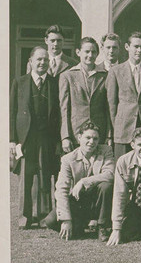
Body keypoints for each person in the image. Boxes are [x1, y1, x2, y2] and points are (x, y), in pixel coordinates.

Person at [10, 46, 61, 229]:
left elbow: (59, 114)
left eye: (45, 60)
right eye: (39, 59)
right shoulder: (20, 82)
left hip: (47, 136)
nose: (42, 63)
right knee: (26, 176)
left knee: (45, 174)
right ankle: (24, 217)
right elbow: (11, 112)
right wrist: (12, 140)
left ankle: (44, 216)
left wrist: (58, 140)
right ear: (30, 61)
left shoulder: (55, 83)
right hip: (26, 137)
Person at [43, 121, 114, 242]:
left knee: (106, 186)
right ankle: (82, 225)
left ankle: (103, 227)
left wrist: (84, 181)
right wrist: (66, 219)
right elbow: (62, 189)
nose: (91, 142)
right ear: (79, 137)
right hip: (79, 202)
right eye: (88, 137)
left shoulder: (106, 151)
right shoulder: (68, 159)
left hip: (99, 202)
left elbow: (110, 174)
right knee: (51, 220)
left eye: (95, 138)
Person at [106, 32, 141, 159]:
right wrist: (116, 127)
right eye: (136, 46)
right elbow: (112, 103)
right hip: (124, 127)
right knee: (123, 164)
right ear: (127, 47)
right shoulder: (115, 71)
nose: (139, 50)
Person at [59, 37, 111, 153]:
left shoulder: (105, 75)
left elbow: (108, 108)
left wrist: (109, 135)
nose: (90, 55)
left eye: (93, 52)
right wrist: (65, 137)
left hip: (99, 134)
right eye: (87, 51)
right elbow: (64, 109)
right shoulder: (68, 76)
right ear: (78, 52)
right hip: (76, 134)